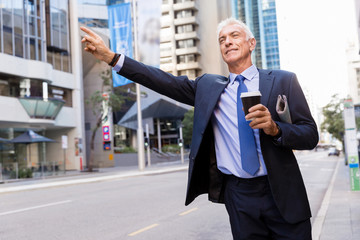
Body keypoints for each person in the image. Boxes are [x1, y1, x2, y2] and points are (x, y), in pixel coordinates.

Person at [81, 17, 318, 240]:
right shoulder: (209, 87)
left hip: (282, 192)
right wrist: (111, 57)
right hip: (240, 196)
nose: (227, 42)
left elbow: (310, 135)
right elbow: (161, 80)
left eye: (234, 35)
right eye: (222, 40)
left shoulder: (283, 80)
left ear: (251, 43)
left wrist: (275, 129)